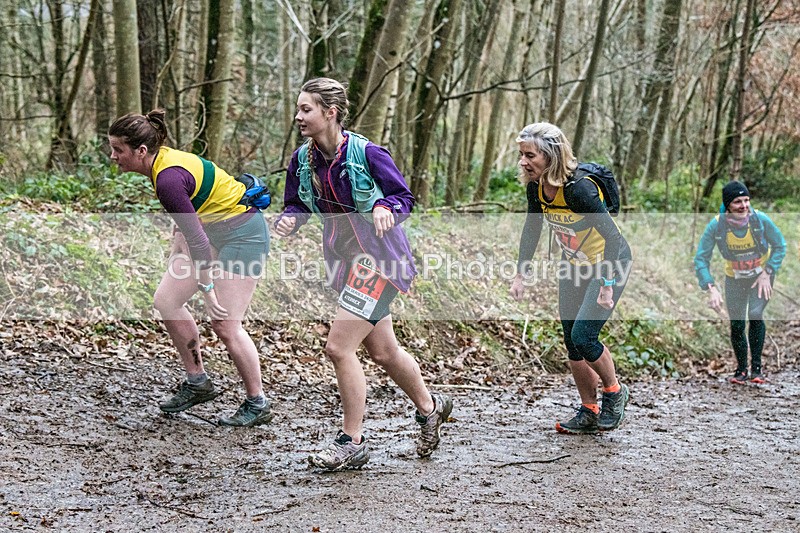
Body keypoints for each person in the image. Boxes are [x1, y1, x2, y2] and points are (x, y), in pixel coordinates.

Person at [275, 77, 452, 471]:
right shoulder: (301, 161)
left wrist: (388, 207)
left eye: (307, 109)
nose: (299, 116)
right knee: (383, 352)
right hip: (345, 264)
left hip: (379, 262)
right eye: (299, 109)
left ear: (330, 112)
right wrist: (290, 221)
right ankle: (430, 407)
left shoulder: (368, 153)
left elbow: (404, 198)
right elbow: (297, 205)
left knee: (339, 347)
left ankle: (351, 441)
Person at [108, 109, 272, 426]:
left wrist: (207, 289)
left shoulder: (167, 178)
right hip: (213, 230)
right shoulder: (162, 164)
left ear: (141, 151)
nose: (113, 156)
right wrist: (178, 240)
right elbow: (194, 206)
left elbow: (196, 240)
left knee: (225, 323)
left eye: (118, 149)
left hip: (245, 235)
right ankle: (198, 382)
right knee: (166, 300)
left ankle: (258, 402)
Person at [509, 122, 631, 435]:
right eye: (521, 154)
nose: (523, 161)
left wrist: (606, 285)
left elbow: (614, 240)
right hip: (574, 266)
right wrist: (521, 274)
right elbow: (532, 229)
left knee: (584, 337)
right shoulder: (536, 187)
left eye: (530, 155)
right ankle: (589, 410)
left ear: (550, 156)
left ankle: (615, 393)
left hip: (609, 264)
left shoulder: (579, 189)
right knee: (572, 344)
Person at [694, 180, 786, 384]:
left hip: (760, 278)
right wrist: (710, 287)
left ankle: (757, 370)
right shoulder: (717, 225)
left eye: (746, 200)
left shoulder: (759, 220)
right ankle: (741, 370)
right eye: (738, 201)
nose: (744, 206)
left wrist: (768, 271)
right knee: (736, 324)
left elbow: (780, 245)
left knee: (754, 314)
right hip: (734, 279)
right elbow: (701, 258)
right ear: (728, 205)